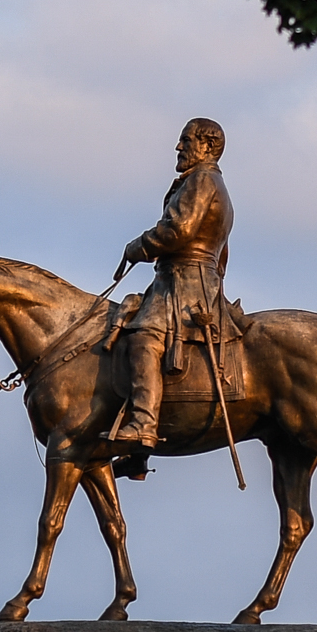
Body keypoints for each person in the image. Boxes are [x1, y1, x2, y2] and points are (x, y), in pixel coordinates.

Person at [105, 117, 239, 449]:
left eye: (186, 140)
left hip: (185, 283)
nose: (179, 147)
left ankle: (143, 425)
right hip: (185, 279)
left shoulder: (202, 181)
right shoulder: (202, 183)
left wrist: (137, 246)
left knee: (144, 340)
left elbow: (178, 230)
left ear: (206, 146)